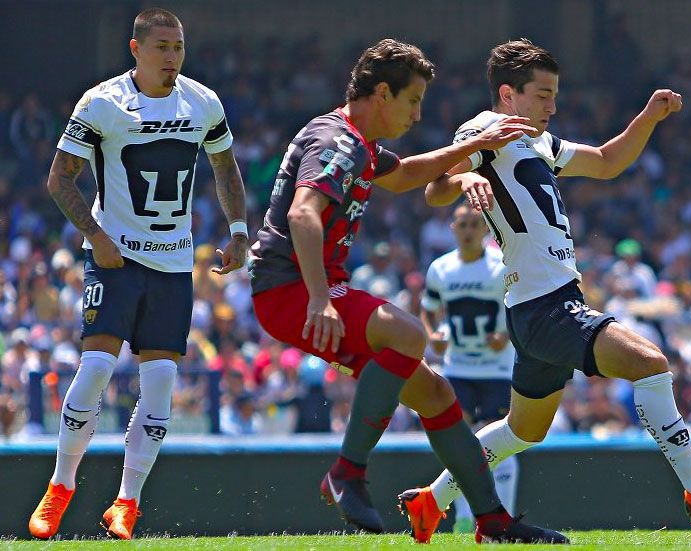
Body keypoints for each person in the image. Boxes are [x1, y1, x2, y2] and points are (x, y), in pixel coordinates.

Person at [400, 39, 691, 541]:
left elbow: (605, 161)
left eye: (555, 95)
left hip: (540, 305)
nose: (553, 106)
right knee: (650, 363)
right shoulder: (484, 128)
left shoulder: (539, 144)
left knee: (522, 430)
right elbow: (435, 188)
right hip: (545, 305)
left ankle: (430, 500)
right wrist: (464, 180)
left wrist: (648, 117)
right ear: (508, 95)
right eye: (543, 94)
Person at [248, 38, 566, 543]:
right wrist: (319, 299)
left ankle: (493, 520)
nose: (418, 114)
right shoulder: (337, 142)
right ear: (381, 94)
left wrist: (474, 148)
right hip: (290, 292)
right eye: (413, 100)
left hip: (306, 290)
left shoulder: (361, 144)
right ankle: (347, 473)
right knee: (409, 334)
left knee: (437, 394)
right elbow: (302, 215)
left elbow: (408, 176)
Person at [28, 8, 249, 540]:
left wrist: (240, 229)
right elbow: (60, 179)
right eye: (162, 47)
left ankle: (127, 502)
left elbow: (225, 166)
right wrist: (97, 236)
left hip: (174, 260)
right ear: (136, 49)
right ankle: (60, 487)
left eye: (178, 47)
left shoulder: (203, 102)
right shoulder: (102, 102)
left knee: (161, 384)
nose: (172, 57)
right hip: (116, 255)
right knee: (98, 365)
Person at [419, 203, 516, 533]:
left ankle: (506, 518)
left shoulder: (501, 267)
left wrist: (506, 335)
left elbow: (520, 306)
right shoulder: (441, 268)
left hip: (498, 370)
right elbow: (429, 309)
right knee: (462, 445)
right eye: (462, 224)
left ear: (486, 228)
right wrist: (433, 335)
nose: (469, 230)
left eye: (475, 224)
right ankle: (464, 518)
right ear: (452, 229)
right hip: (458, 369)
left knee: (499, 443)